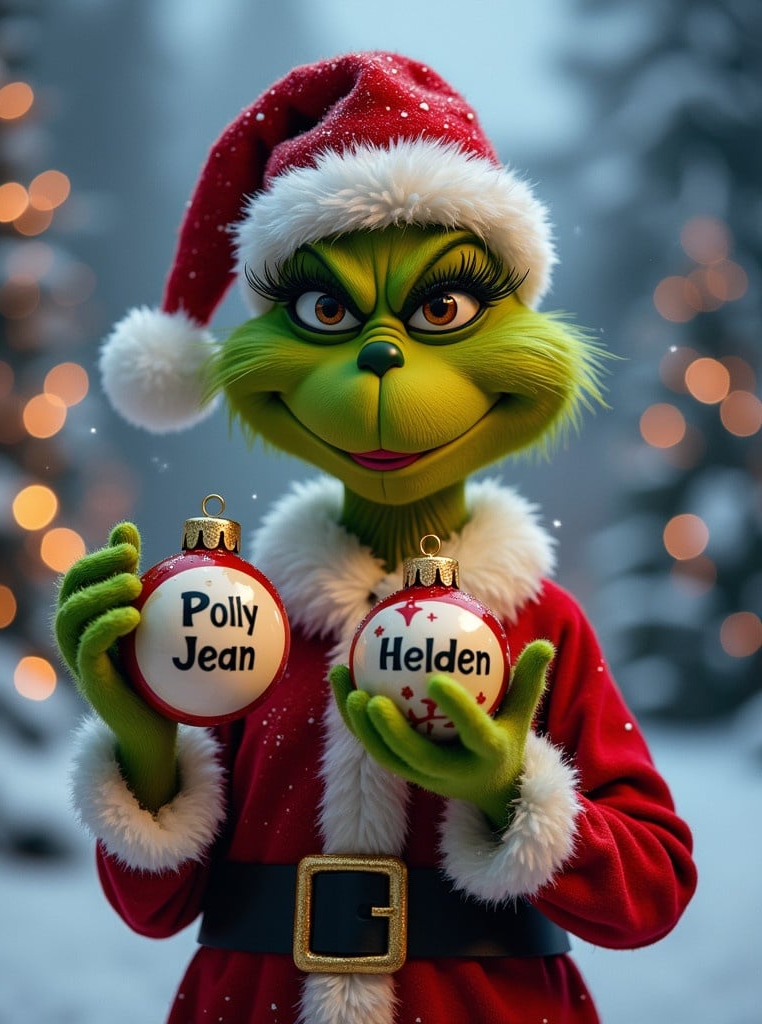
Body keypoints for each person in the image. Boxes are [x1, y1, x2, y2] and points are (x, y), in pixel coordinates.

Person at [55, 51, 696, 1024]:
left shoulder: (541, 626)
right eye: (325, 310)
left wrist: (511, 791)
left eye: (442, 307)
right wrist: (145, 740)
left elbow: (652, 889)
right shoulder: (242, 624)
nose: (382, 364)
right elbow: (155, 904)